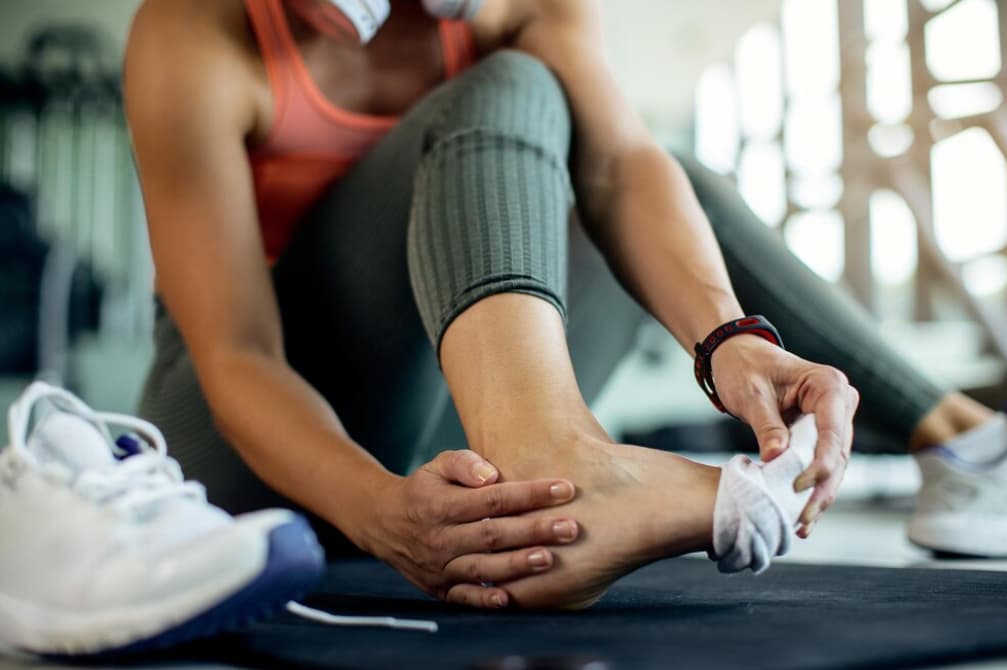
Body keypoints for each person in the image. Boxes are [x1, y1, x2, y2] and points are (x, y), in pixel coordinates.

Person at [125, 0, 1003, 610]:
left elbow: (622, 168)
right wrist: (376, 515)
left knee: (660, 175)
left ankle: (964, 445)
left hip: (431, 410)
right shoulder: (192, 31)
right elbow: (238, 355)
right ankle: (554, 454)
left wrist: (729, 340)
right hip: (246, 448)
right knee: (505, 88)